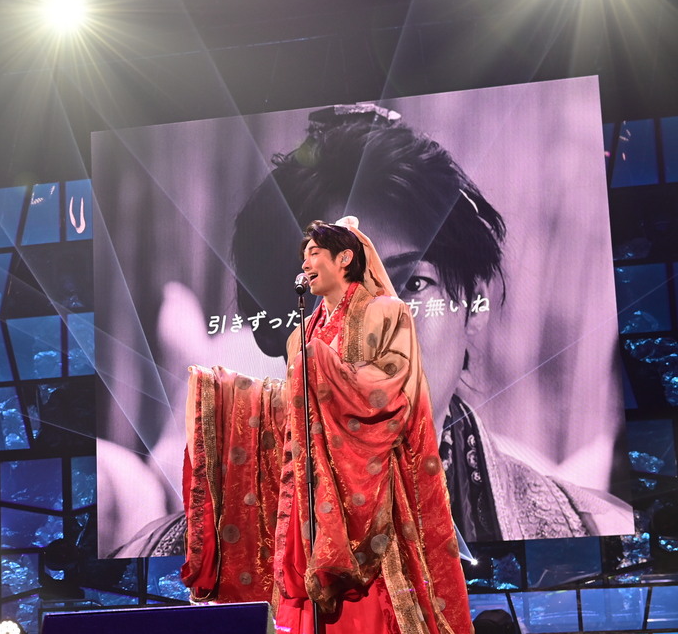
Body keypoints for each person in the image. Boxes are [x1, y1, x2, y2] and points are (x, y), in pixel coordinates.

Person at [102, 102, 631, 557]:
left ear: (473, 307)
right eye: (333, 291)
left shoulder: (591, 535)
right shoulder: (166, 564)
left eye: (413, 284)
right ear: (273, 330)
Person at [182, 219, 484, 634]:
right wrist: (229, 397)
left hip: (373, 494)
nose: (305, 263)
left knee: (381, 614)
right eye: (303, 254)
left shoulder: (386, 312)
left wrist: (322, 367)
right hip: (314, 502)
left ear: (345, 259)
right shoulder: (304, 331)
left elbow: (390, 388)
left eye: (314, 253)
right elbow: (293, 412)